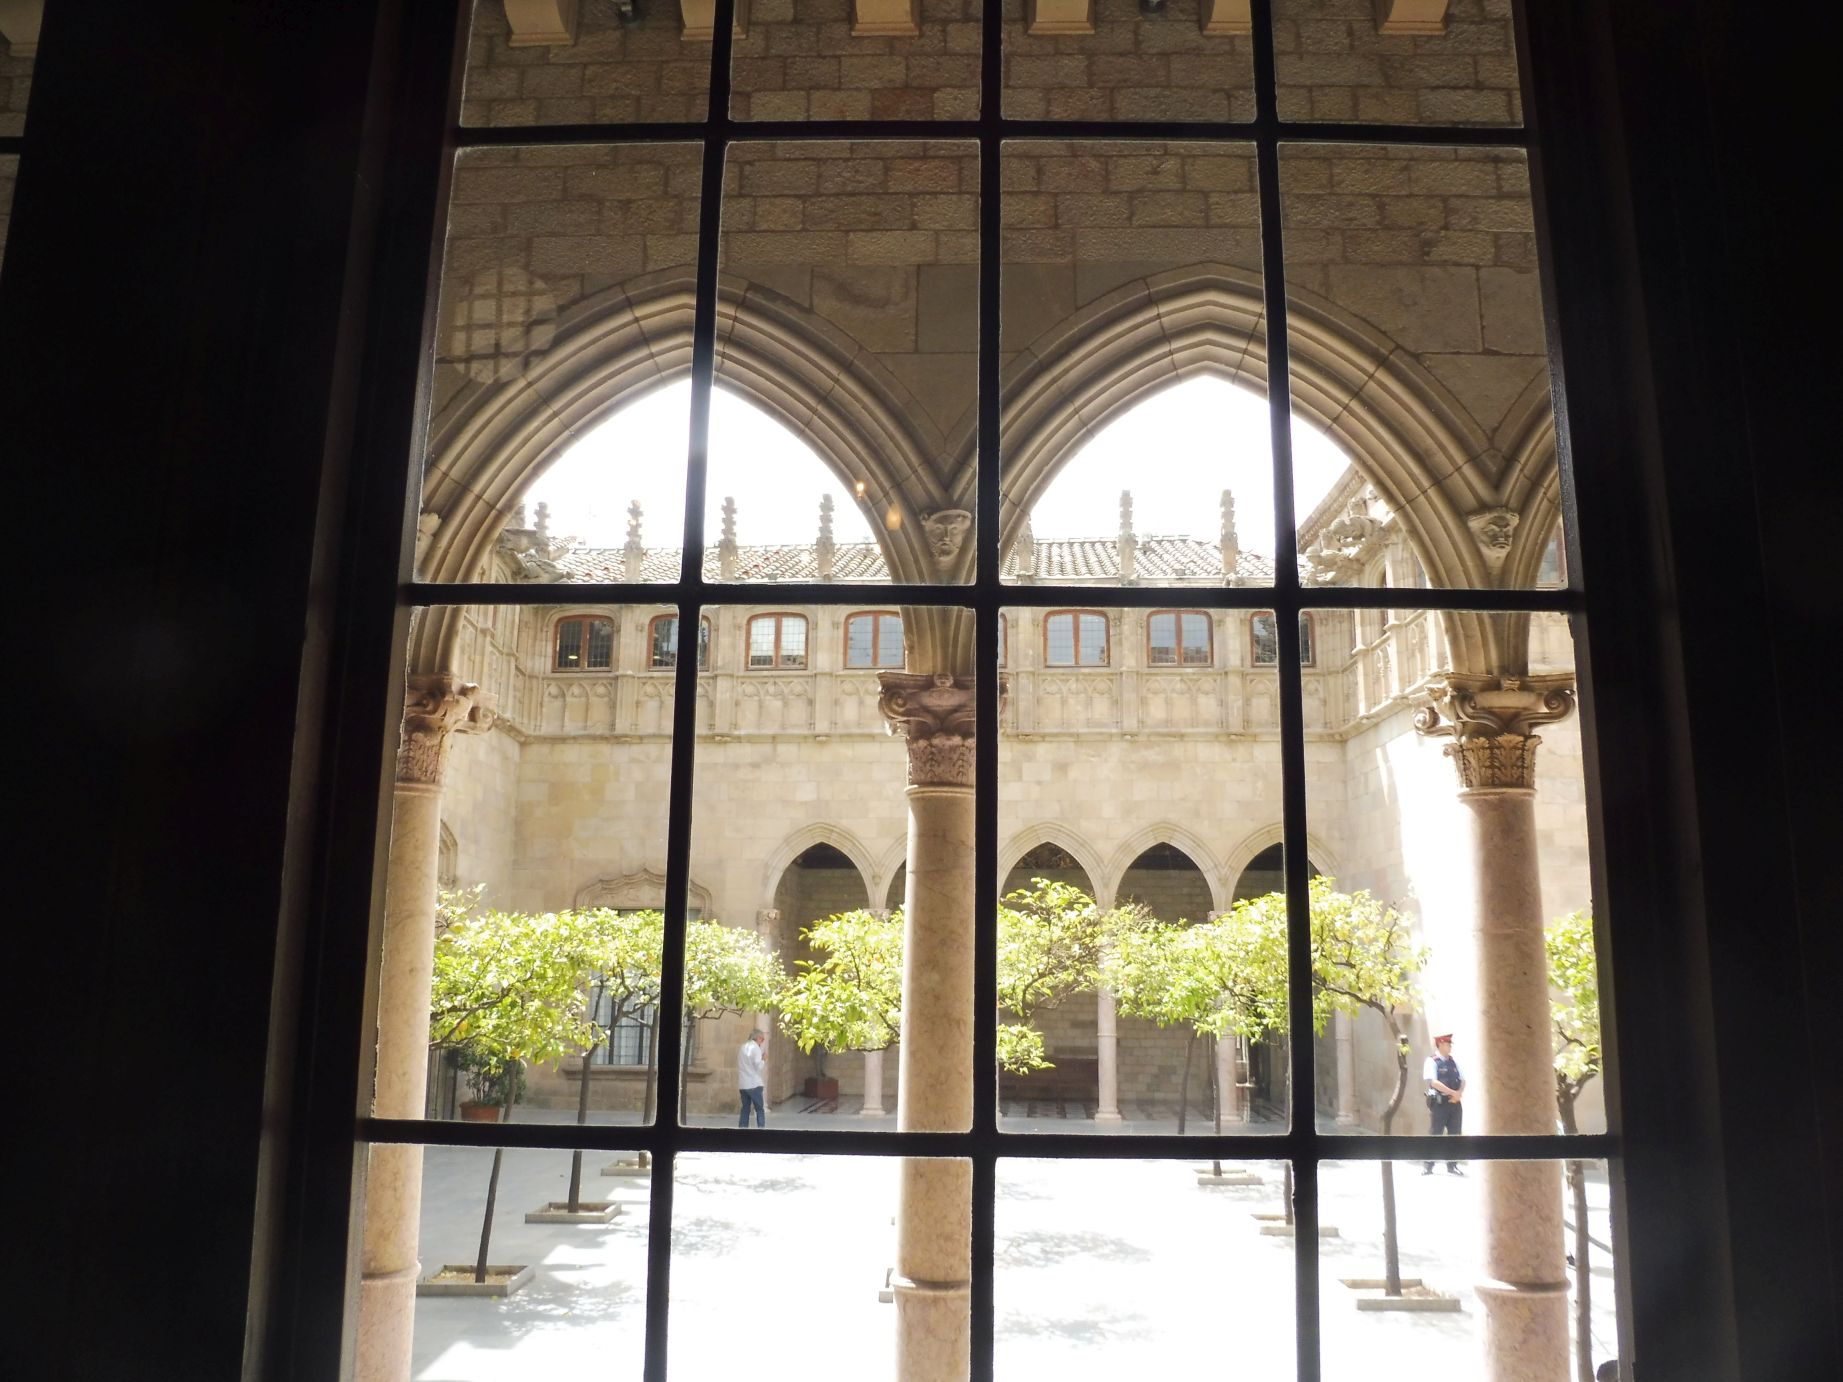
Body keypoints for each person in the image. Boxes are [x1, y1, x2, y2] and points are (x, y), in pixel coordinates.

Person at [1422, 1032, 1465, 1175]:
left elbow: (1463, 1080)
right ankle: (1428, 1165)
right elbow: (1433, 1082)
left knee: (1455, 1135)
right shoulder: (1432, 1061)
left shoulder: (1454, 1062)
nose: (1450, 1046)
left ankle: (1452, 1165)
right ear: (1440, 1044)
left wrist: (1458, 1093)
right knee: (1436, 1134)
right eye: (1448, 1044)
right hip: (1440, 1104)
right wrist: (1452, 1092)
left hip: (1455, 1103)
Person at [737, 1028, 767, 1128]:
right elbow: (758, 1066)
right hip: (754, 1084)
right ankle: (761, 1129)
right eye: (762, 1039)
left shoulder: (743, 1047)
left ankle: (742, 1128)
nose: (762, 1042)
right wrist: (763, 1059)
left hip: (743, 1084)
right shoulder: (755, 1048)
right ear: (758, 1038)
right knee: (759, 1109)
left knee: (745, 1108)